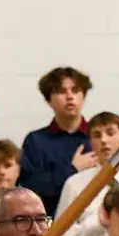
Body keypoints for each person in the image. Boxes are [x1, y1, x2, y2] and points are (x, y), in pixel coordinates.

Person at [20, 64, 92, 213]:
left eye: (76, 90)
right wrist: (73, 169)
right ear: (48, 100)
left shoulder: (98, 137)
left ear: (83, 96)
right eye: (61, 91)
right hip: (50, 224)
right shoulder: (36, 141)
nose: (70, 96)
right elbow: (32, 189)